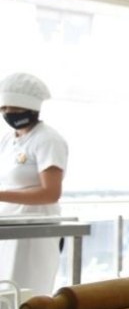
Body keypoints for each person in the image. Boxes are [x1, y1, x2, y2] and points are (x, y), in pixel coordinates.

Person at [0, 73, 69, 293]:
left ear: (31, 109)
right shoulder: (8, 140)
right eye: (4, 109)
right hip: (10, 224)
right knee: (6, 293)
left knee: (27, 295)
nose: (9, 114)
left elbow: (50, 192)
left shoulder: (47, 140)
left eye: (15, 109)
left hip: (36, 230)